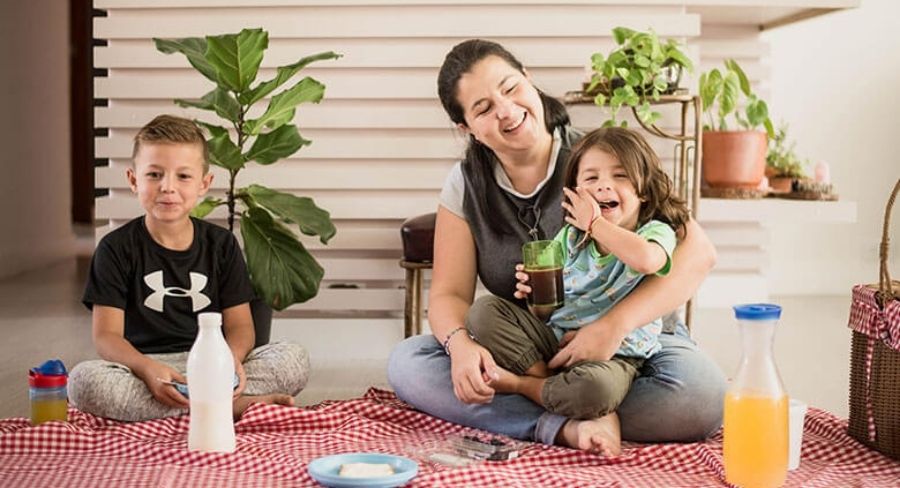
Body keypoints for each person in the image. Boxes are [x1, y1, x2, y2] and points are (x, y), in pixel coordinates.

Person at [387, 39, 727, 451]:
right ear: (467, 128)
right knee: (408, 364)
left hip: (635, 344)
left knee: (702, 397)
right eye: (483, 108)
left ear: (530, 81)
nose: (507, 111)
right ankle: (569, 421)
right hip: (531, 346)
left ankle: (561, 405)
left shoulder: (600, 160)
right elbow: (449, 294)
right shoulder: (465, 185)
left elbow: (699, 253)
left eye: (510, 88)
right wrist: (460, 349)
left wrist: (612, 326)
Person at [466, 127, 691, 455]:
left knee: (594, 390)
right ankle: (550, 381)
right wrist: (535, 297)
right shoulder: (569, 239)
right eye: (591, 178)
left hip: (615, 355)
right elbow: (547, 312)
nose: (603, 185)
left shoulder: (654, 232)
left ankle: (523, 385)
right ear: (575, 193)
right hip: (557, 342)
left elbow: (647, 261)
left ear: (644, 191)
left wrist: (596, 224)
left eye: (620, 175)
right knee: (482, 311)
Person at [69, 115, 309, 422]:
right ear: (133, 180)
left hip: (212, 363)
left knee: (293, 358)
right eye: (154, 174)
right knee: (84, 381)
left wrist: (229, 361)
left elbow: (241, 327)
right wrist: (147, 369)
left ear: (204, 185)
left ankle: (183, 408)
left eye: (183, 176)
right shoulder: (116, 248)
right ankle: (232, 407)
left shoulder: (221, 245)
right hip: (146, 370)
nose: (168, 187)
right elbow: (106, 336)